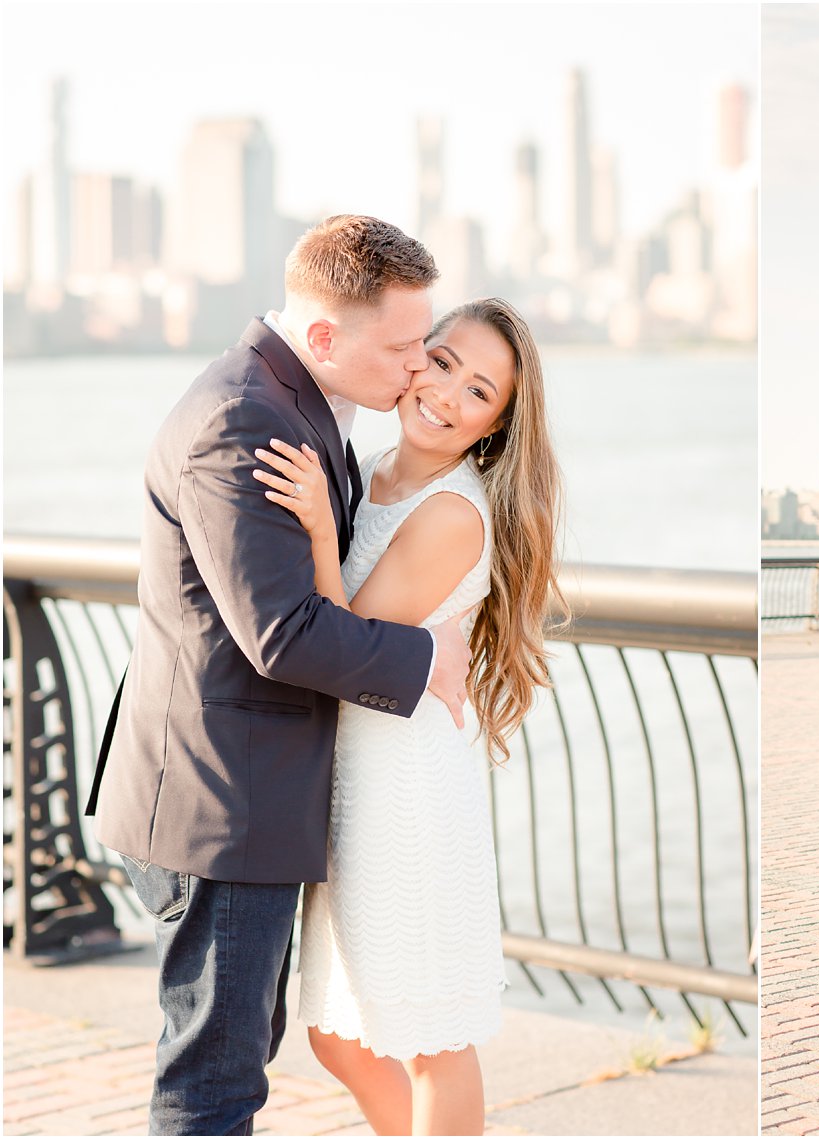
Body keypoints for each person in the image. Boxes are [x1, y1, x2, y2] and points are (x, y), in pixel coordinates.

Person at [90, 215, 473, 1135]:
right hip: (222, 803)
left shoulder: (296, 397)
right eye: (405, 345)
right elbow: (282, 633)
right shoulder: (243, 418)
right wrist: (428, 663)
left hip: (237, 794)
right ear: (329, 337)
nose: (420, 365)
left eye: (426, 341)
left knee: (231, 1061)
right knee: (211, 1087)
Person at [252, 297, 562, 1134]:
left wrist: (319, 525)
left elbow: (347, 642)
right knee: (335, 1031)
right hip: (355, 782)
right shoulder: (374, 464)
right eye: (445, 361)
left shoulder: (454, 513)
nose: (448, 392)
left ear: (494, 427)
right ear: (414, 353)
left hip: (409, 792)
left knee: (430, 1039)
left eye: (480, 391)